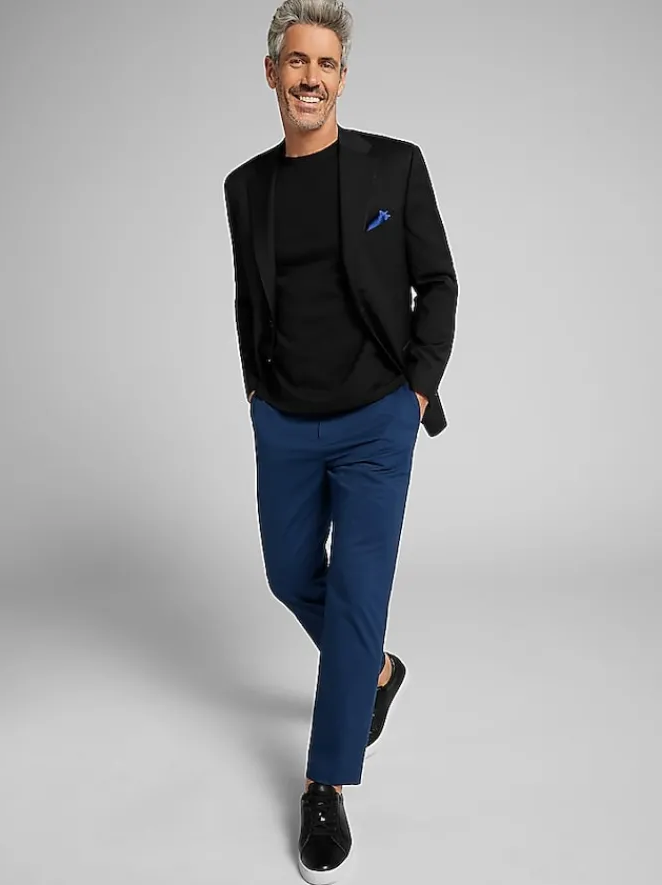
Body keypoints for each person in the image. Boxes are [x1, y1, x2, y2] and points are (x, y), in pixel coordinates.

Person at [223, 1, 458, 880]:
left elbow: (437, 281)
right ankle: (378, 672)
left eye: (325, 63)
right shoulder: (245, 188)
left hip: (375, 420)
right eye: (296, 61)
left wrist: (416, 388)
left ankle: (325, 784)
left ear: (343, 79)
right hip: (285, 419)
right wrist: (255, 391)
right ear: (272, 73)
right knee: (290, 573)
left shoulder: (394, 167)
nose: (310, 77)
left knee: (357, 594)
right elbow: (249, 297)